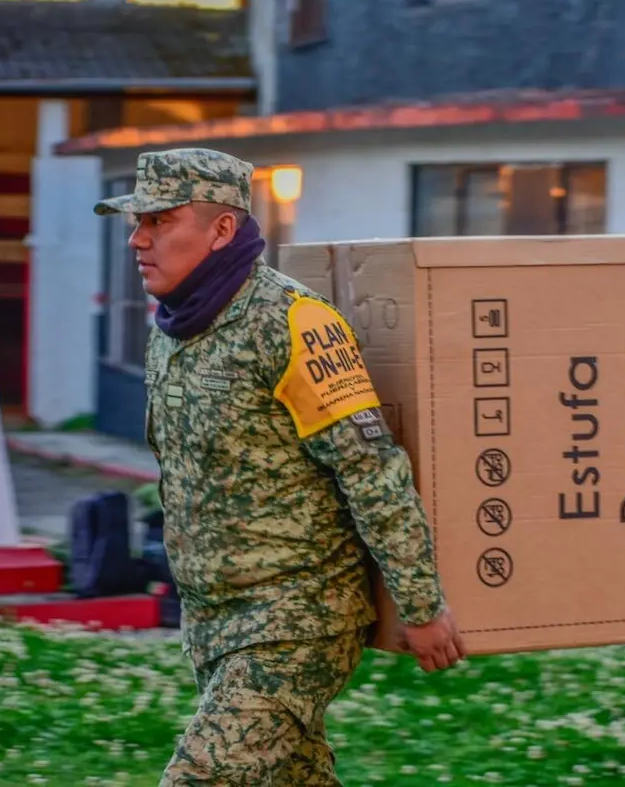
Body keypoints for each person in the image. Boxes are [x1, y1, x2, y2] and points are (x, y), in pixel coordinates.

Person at [93, 147, 465, 786]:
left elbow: (371, 470)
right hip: (214, 619)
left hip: (299, 616)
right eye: (137, 221)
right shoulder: (174, 328)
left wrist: (421, 604)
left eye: (160, 221)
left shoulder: (294, 324)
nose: (137, 238)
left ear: (221, 229)